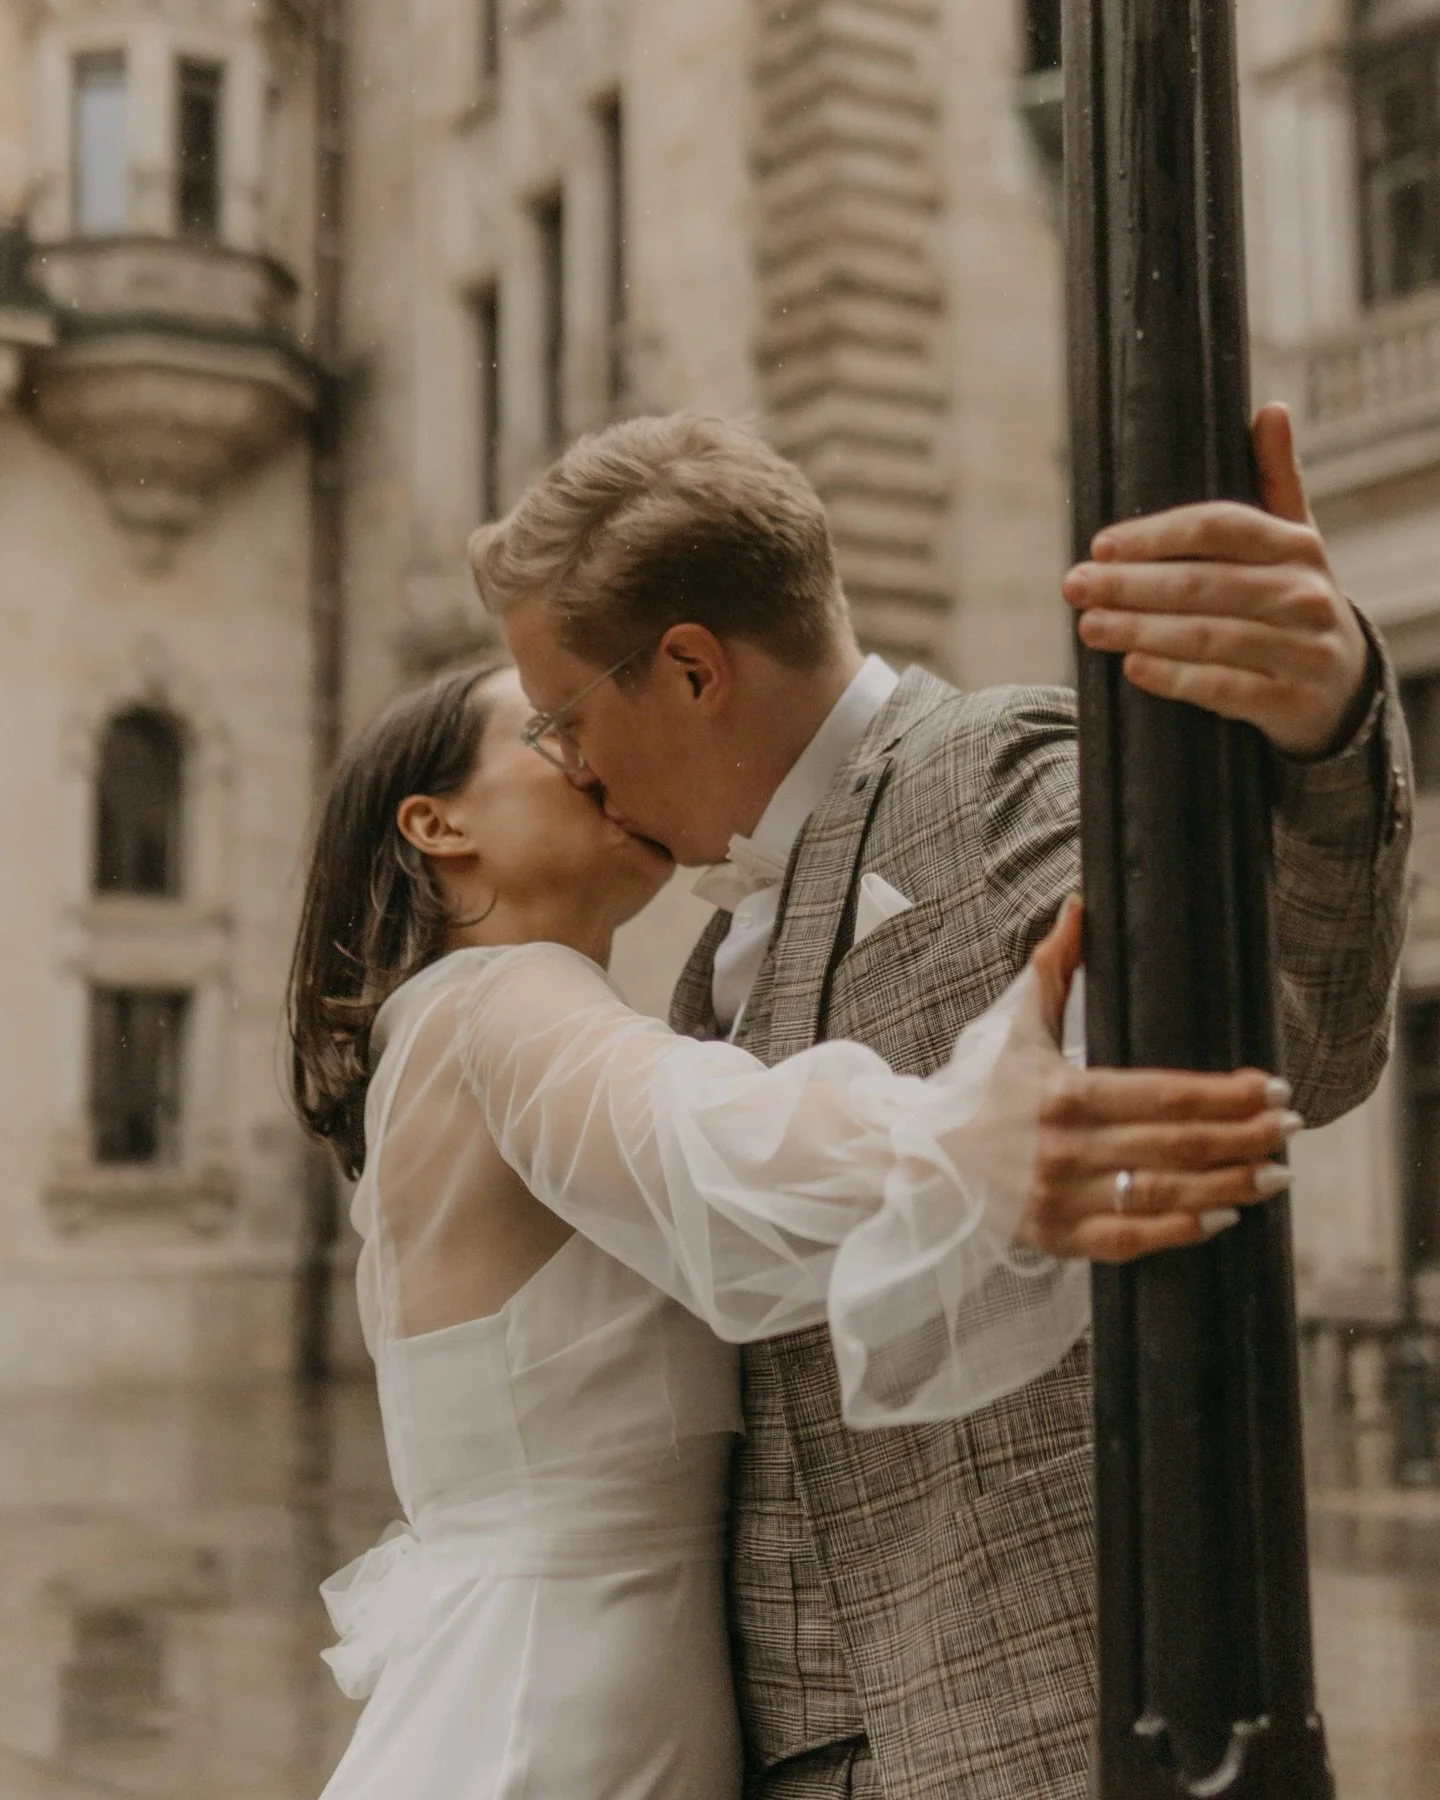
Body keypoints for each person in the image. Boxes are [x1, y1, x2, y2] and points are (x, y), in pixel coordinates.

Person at [467, 408, 1412, 1800]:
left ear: (687, 669)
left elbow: (1277, 1048)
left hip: (1024, 1738)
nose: (572, 764)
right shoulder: (694, 962)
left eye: (565, 717)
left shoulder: (992, 770)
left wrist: (1325, 727)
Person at [289, 662, 1301, 1800]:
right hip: (564, 1697)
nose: (588, 753)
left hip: (543, 1665)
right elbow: (712, 1135)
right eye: (543, 732)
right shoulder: (501, 998)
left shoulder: (432, 1030)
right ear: (437, 823)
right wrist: (979, 1126)